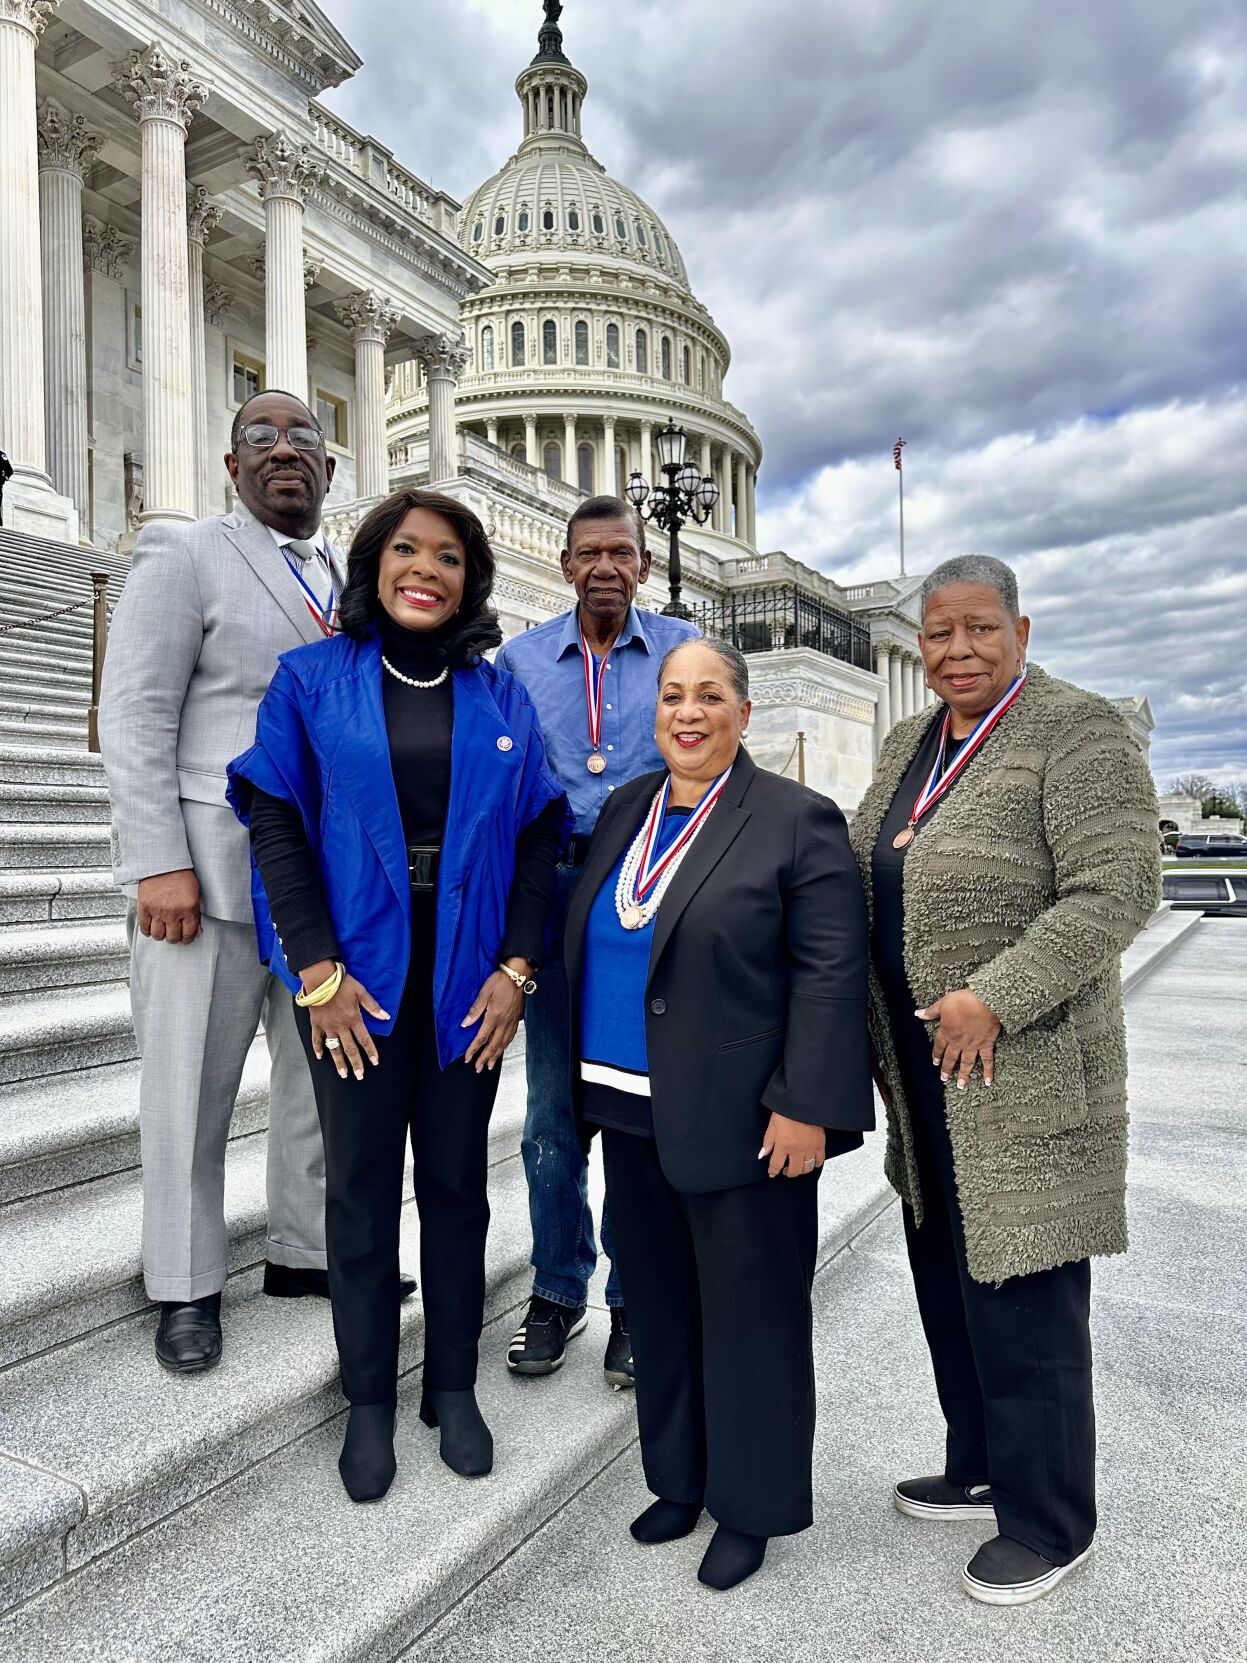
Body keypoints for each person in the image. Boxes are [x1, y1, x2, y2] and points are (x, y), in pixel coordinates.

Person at [227, 488, 567, 1503]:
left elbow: (541, 835)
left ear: (471, 578)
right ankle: (369, 1398)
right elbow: (278, 825)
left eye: (449, 556)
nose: (426, 568)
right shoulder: (311, 680)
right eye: (407, 550)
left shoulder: (500, 695)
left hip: (468, 974)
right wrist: (316, 973)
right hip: (354, 977)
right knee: (362, 1192)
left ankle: (452, 1387)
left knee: (459, 1187)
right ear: (374, 563)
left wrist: (516, 969)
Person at [848, 553, 1160, 1606]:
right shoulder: (906, 743)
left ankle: (1049, 1518)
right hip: (922, 1077)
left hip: (1019, 1073)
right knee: (947, 1280)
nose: (956, 651)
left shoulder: (1074, 730)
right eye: (938, 633)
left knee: (1023, 1297)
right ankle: (978, 1462)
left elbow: (1116, 887)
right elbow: (858, 872)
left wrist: (998, 991)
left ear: (1019, 634)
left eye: (979, 629)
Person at [98, 390, 412, 1376]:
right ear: (232, 469)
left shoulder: (343, 578)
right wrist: (156, 859)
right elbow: (136, 711)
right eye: (260, 441)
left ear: (329, 470)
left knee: (325, 1081)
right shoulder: (185, 555)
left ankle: (306, 1252)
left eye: (304, 440)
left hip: (323, 889)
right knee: (189, 1087)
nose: (285, 452)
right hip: (209, 874)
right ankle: (186, 1286)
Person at [564, 638, 873, 1589]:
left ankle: (751, 1503)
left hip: (747, 1120)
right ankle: (680, 1478)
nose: (686, 713)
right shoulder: (626, 809)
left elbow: (830, 973)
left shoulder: (793, 819)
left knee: (751, 1319)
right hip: (629, 1109)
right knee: (658, 1306)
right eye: (670, 697)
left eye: (707, 697)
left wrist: (805, 1105)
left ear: (742, 712)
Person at [495, 496, 697, 1386]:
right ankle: (556, 1284)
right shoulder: (521, 660)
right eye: (589, 554)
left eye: (623, 551)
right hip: (550, 892)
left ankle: (633, 1295)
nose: (605, 566)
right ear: (564, 565)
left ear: (644, 566)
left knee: (634, 1111)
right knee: (550, 1116)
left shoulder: (683, 652)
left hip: (647, 896)